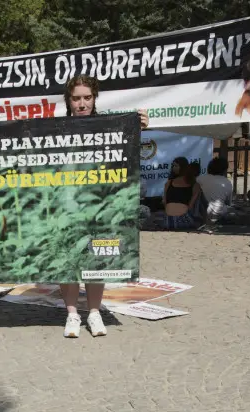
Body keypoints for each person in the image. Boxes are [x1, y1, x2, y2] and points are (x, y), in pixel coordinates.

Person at [58, 75, 149, 338]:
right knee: (68, 261)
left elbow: (127, 145)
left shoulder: (109, 125)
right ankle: (72, 314)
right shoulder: (57, 127)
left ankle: (95, 313)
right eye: (76, 98)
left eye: (87, 97)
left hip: (100, 204)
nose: (82, 103)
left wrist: (140, 126)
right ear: (69, 101)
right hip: (67, 203)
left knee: (95, 259)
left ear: (95, 98)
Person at [157, 157, 202, 230]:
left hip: (177, 219)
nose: (173, 168)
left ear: (183, 167)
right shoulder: (169, 183)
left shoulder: (194, 185)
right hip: (175, 219)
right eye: (173, 166)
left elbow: (165, 202)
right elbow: (191, 206)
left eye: (176, 166)